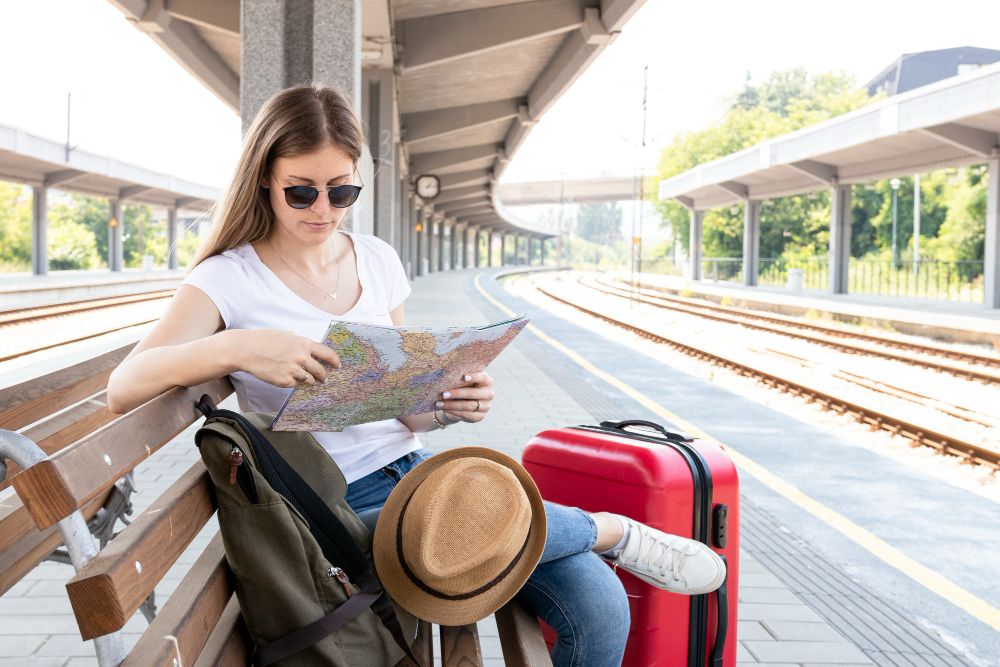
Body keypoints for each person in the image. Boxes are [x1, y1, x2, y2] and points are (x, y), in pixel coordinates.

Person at [106, 84, 725, 667]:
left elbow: (407, 409)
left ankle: (601, 537)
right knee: (471, 528)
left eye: (340, 191)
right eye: (301, 191)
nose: (323, 209)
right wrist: (238, 348)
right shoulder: (229, 277)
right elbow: (124, 386)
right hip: (335, 506)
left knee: (599, 605)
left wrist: (450, 402)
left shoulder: (376, 260)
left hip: (418, 471)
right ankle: (612, 531)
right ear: (265, 179)